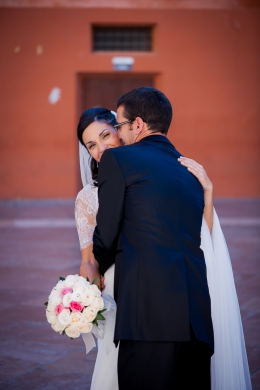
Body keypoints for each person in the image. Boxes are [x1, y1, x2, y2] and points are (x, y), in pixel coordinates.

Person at [75, 101, 252, 389]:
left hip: (144, 308)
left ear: (132, 127)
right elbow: (199, 239)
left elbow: (105, 241)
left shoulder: (122, 163)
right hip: (187, 311)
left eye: (108, 134)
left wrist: (209, 194)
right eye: (91, 145)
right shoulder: (182, 167)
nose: (101, 149)